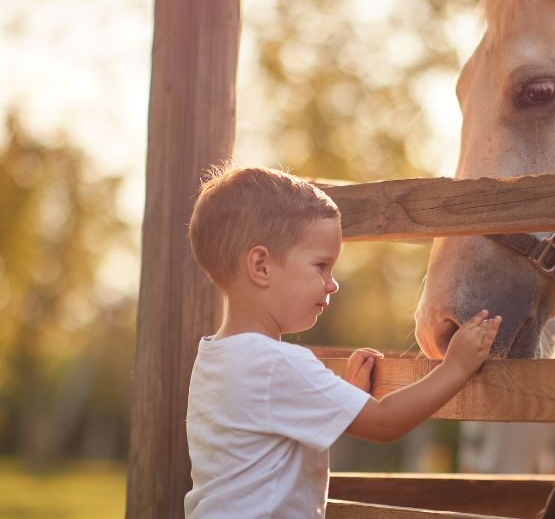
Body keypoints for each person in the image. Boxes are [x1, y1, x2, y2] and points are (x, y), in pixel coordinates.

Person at [184, 165, 502, 518]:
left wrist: (345, 398)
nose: (332, 283)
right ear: (261, 266)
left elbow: (274, 443)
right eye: (321, 266)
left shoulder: (213, 359)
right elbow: (384, 422)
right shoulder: (280, 364)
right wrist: (454, 367)